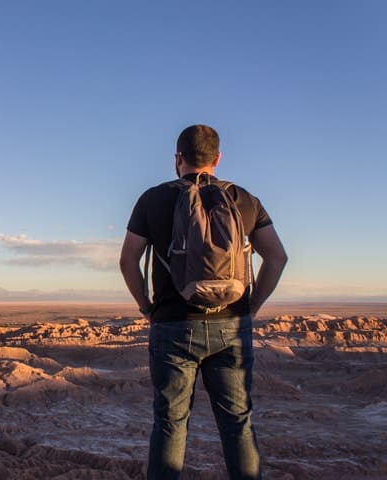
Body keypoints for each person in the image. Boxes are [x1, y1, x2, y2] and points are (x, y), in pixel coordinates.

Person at [120, 125, 287, 480]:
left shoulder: (152, 199)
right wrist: (251, 307)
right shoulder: (244, 200)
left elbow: (128, 260)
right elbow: (276, 258)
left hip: (172, 325)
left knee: (170, 423)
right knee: (238, 423)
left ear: (178, 158)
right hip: (232, 326)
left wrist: (146, 307)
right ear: (218, 158)